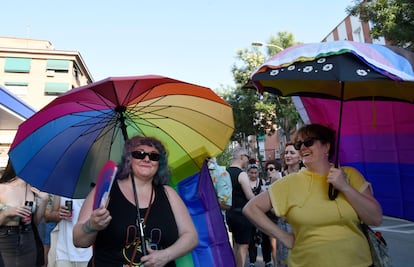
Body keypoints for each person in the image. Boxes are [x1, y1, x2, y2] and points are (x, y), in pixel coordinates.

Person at [243, 123, 383, 267]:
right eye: (299, 144)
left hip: (359, 262)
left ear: (326, 147)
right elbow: (251, 209)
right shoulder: (290, 183)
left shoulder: (349, 175)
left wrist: (345, 187)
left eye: (309, 142)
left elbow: (375, 218)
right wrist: (283, 236)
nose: (303, 148)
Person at [73, 135, 198, 267]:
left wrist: (165, 255)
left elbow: (191, 236)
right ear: (128, 159)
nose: (147, 159)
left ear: (159, 163)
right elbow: (78, 240)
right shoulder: (107, 190)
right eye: (139, 154)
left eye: (154, 156)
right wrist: (92, 226)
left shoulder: (168, 193)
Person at [0, 160, 49, 267]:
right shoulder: (2, 188)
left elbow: (35, 222)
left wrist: (44, 200)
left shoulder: (32, 189)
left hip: (29, 237)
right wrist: (6, 213)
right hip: (6, 240)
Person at [226, 147, 255, 267]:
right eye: (247, 157)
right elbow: (249, 195)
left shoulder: (225, 172)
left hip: (229, 213)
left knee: (235, 245)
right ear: (242, 157)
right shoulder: (241, 174)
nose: (248, 160)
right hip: (241, 215)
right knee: (243, 246)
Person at [276, 142, 303, 267]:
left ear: (300, 156)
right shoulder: (278, 177)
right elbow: (272, 202)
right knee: (286, 259)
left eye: (292, 152)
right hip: (285, 223)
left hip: (303, 222)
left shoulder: (306, 175)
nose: (288, 155)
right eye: (286, 152)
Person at [45, 196, 92, 267]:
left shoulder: (97, 188)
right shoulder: (62, 186)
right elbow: (49, 216)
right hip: (63, 253)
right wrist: (58, 214)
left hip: (89, 253)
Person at [246, 163, 265, 267]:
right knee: (250, 238)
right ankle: (252, 261)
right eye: (251, 173)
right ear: (248, 173)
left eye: (255, 173)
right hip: (249, 215)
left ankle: (266, 260)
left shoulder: (261, 182)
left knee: (259, 238)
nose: (253, 175)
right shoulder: (245, 183)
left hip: (259, 214)